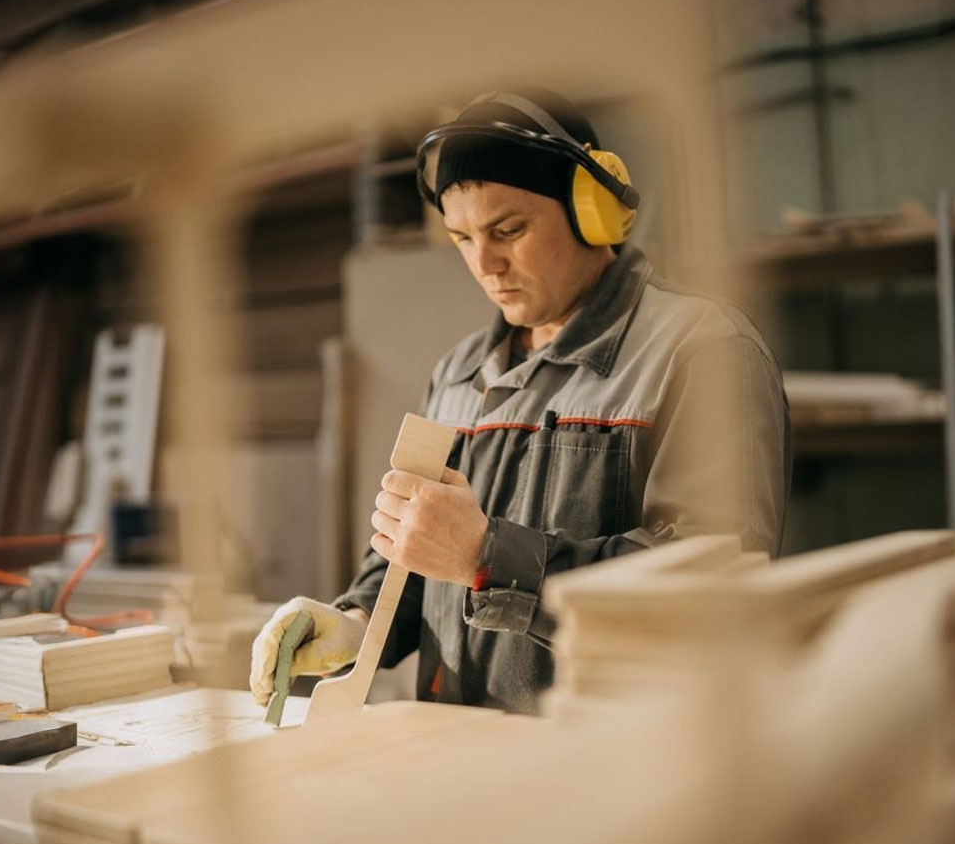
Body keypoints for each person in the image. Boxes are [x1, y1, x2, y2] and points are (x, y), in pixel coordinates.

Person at [251, 89, 790, 715]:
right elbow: (412, 557)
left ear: (593, 212)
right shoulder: (457, 376)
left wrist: (489, 558)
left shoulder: (700, 353)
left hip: (623, 762)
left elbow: (715, 593)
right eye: (461, 238)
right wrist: (355, 617)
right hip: (464, 752)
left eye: (509, 229)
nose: (486, 264)